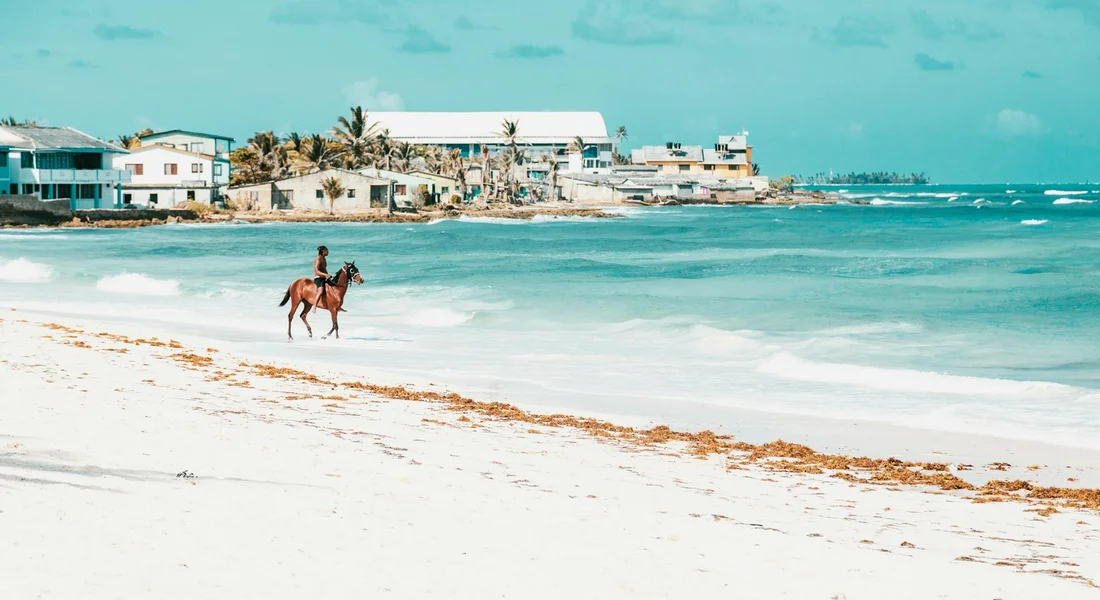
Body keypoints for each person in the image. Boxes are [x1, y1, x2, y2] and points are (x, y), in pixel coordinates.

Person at [312, 246, 347, 313]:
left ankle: (337, 305)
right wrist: (326, 275)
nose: (328, 252)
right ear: (323, 251)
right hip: (318, 278)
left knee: (335, 286)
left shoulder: (324, 259)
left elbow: (324, 269)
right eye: (327, 251)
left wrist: (328, 275)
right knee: (321, 290)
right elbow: (317, 271)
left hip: (324, 277)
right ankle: (314, 306)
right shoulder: (318, 260)